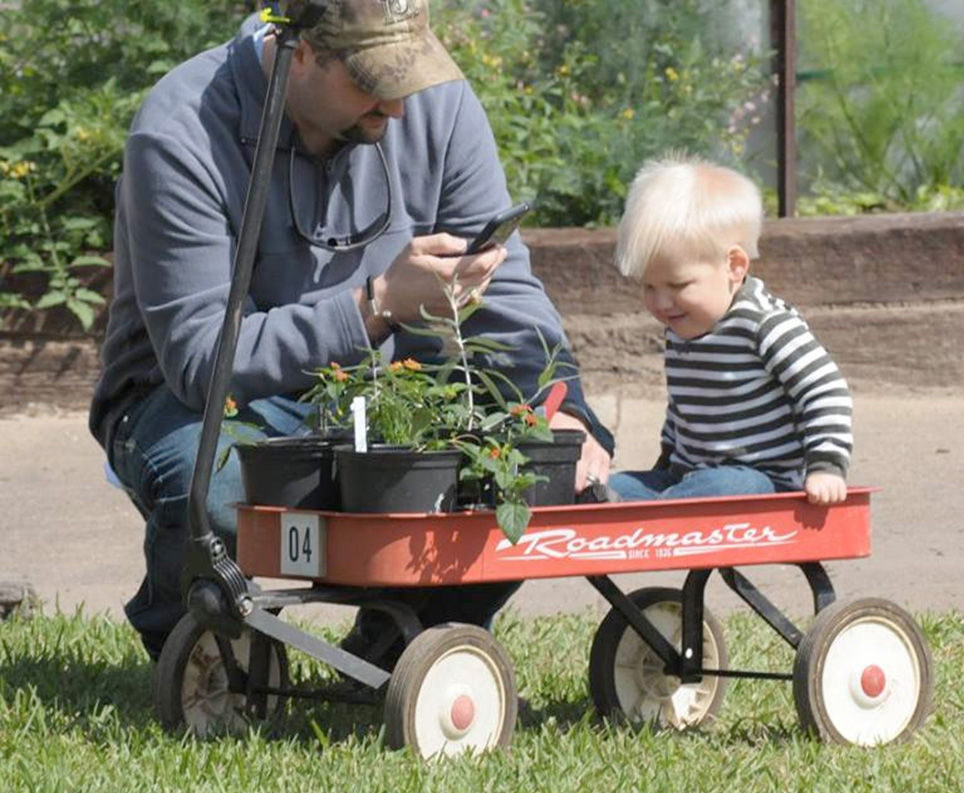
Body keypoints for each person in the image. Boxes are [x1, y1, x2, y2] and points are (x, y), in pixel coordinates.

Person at [89, 0, 613, 660]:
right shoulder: (182, 129)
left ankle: (403, 640)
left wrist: (560, 409)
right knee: (224, 495)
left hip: (382, 395)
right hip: (195, 400)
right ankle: (196, 634)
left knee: (534, 472)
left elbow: (502, 288)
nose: (396, 109)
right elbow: (198, 361)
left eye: (407, 78)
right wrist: (376, 305)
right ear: (296, 50)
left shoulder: (440, 106)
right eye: (371, 81)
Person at [608, 154, 852, 505]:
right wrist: (667, 457)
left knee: (723, 487)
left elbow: (825, 391)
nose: (661, 303)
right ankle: (627, 502)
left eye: (677, 285)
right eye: (648, 287)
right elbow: (685, 408)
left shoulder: (766, 326)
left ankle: (658, 510)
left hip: (764, 480)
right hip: (688, 476)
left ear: (734, 266)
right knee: (613, 485)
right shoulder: (682, 326)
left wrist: (826, 466)